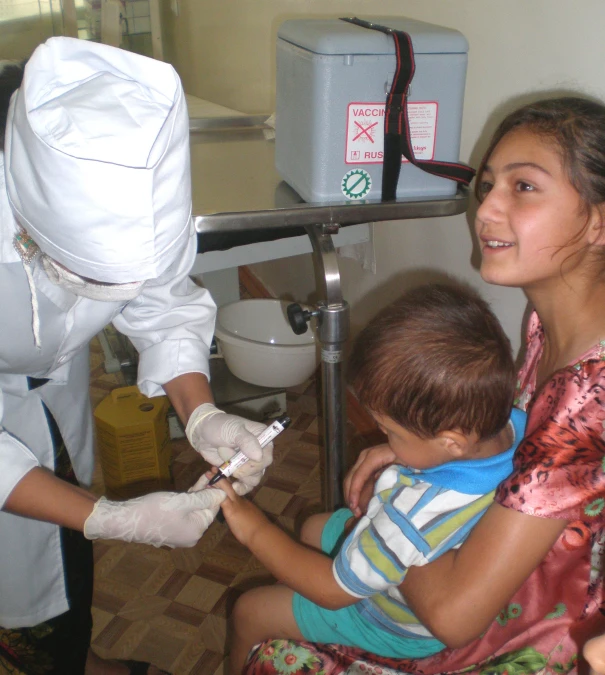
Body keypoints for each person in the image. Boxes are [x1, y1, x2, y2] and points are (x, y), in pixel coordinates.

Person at [239, 96, 605, 675]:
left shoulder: (590, 395)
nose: (485, 210)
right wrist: (417, 448)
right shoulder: (552, 325)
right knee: (316, 529)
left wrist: (400, 516)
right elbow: (514, 437)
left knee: (265, 627)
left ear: (598, 221)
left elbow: (455, 615)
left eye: (524, 187)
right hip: (492, 545)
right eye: (486, 185)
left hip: (528, 626)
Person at [0, 38, 272, 675]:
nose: (113, 297)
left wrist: (203, 416)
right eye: (89, 275)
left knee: (58, 565)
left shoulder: (140, 195)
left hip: (51, 389)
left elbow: (164, 307)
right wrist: (109, 519)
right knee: (20, 582)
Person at [212, 281, 527, 674]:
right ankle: (293, 606)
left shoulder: (412, 513)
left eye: (392, 432)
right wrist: (403, 448)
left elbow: (332, 590)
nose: (384, 440)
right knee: (313, 528)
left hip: (389, 622)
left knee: (249, 611)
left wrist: (250, 526)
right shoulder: (514, 426)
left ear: (452, 442)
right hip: (414, 564)